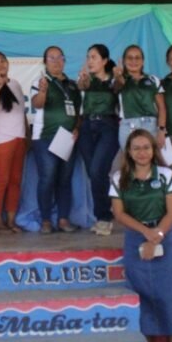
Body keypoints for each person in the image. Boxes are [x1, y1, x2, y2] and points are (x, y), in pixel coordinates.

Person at [111, 129, 172, 342]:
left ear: (153, 150)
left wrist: (157, 236)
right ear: (129, 152)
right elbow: (119, 214)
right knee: (143, 295)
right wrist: (146, 233)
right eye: (136, 148)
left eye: (146, 147)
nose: (142, 152)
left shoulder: (165, 175)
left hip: (165, 236)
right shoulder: (119, 178)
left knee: (171, 293)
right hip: (136, 237)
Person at [30, 46, 81, 234]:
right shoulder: (40, 81)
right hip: (45, 137)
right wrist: (43, 91)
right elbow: (37, 104)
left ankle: (63, 219)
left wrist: (76, 128)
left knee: (65, 179)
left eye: (60, 57)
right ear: (45, 62)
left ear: (64, 61)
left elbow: (79, 111)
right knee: (48, 178)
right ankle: (45, 220)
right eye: (51, 58)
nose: (56, 61)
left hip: (67, 138)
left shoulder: (72, 85)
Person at [76, 44, 120, 235]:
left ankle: (105, 217)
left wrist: (119, 78)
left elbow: (119, 88)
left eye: (94, 57)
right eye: (88, 57)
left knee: (97, 170)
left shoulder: (114, 79)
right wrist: (82, 83)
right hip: (86, 127)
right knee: (94, 174)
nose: (90, 61)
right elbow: (82, 87)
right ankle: (103, 214)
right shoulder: (85, 79)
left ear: (104, 60)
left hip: (108, 127)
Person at [0, 50, 27, 234]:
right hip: (2, 138)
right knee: (1, 180)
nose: (1, 65)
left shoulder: (16, 84)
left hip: (20, 137)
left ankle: (11, 220)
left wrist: (27, 137)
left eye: (3, 61)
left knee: (15, 181)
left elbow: (22, 113)